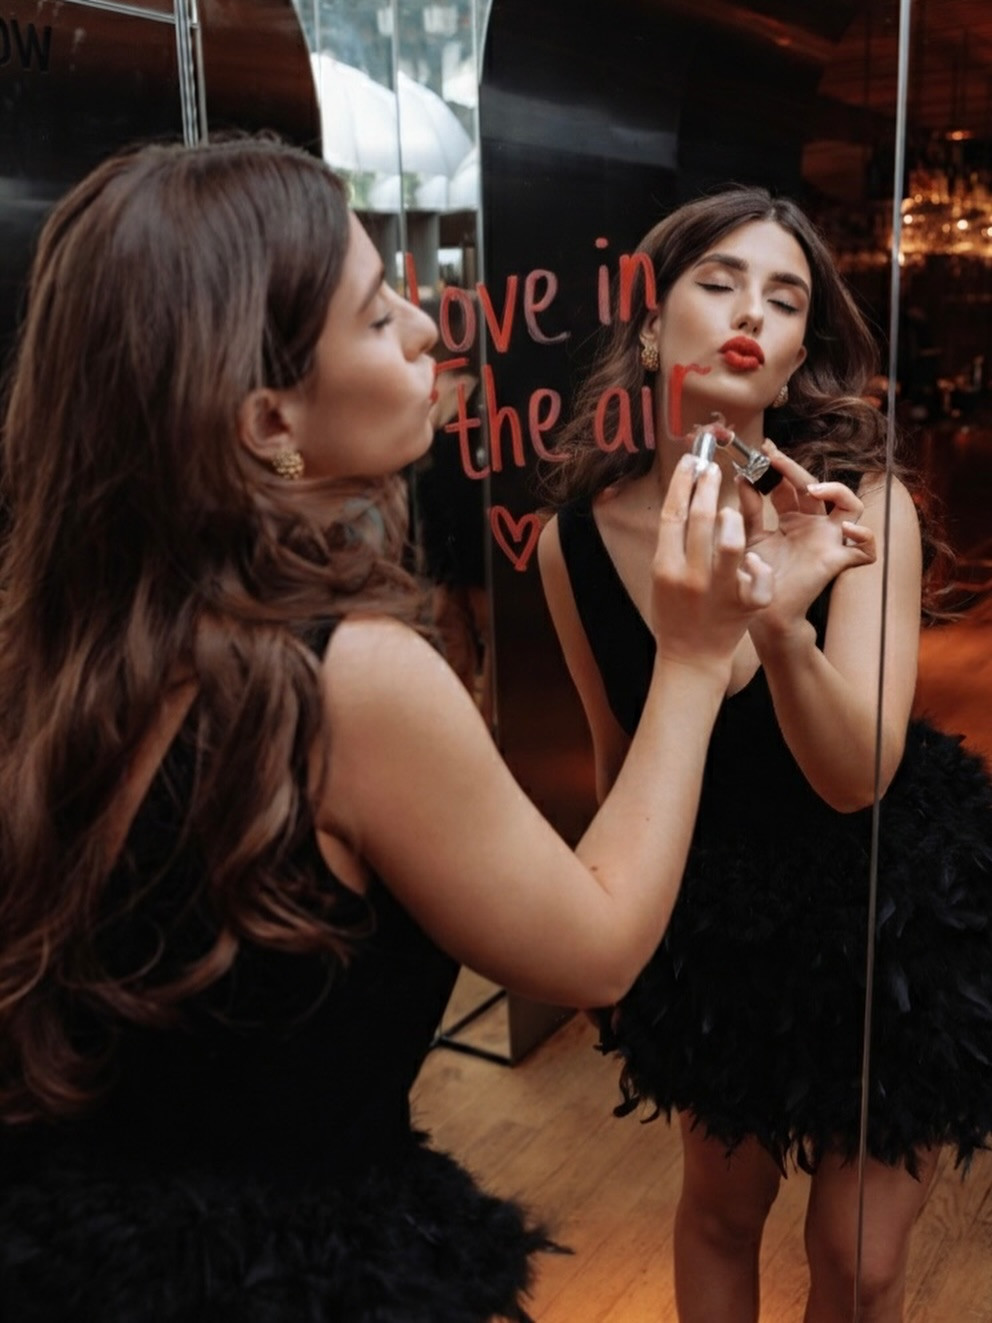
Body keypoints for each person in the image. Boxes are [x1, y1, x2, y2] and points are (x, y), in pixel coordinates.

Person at [0, 137, 822, 1323]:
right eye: (376, 314)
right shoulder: (347, 682)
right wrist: (694, 658)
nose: (429, 326)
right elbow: (594, 952)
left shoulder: (56, 651)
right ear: (266, 416)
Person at [538, 186, 992, 1323]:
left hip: (888, 903)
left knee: (858, 1259)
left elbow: (855, 779)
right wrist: (621, 941)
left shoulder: (859, 508)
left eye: (783, 300)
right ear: (650, 325)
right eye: (718, 281)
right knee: (719, 1212)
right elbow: (617, 759)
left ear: (793, 362)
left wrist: (783, 623)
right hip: (719, 917)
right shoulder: (570, 542)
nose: (751, 311)